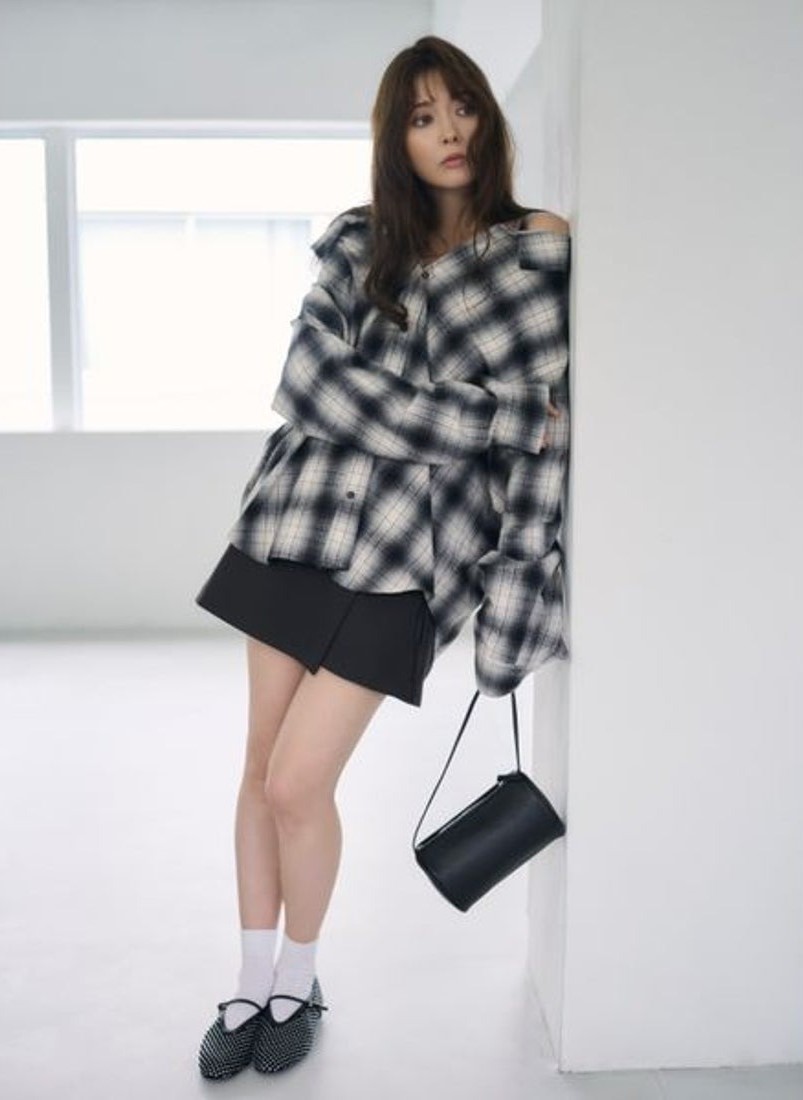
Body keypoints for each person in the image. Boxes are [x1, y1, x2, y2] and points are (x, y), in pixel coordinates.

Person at [194, 34, 571, 1079]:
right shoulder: (358, 241)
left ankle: (300, 977)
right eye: (421, 116)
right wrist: (487, 415)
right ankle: (251, 981)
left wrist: (516, 587)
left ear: (487, 116)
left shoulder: (533, 247)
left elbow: (544, 437)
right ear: (393, 138)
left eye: (461, 107)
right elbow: (308, 386)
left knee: (296, 782)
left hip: (410, 556)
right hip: (294, 524)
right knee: (257, 771)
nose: (448, 131)